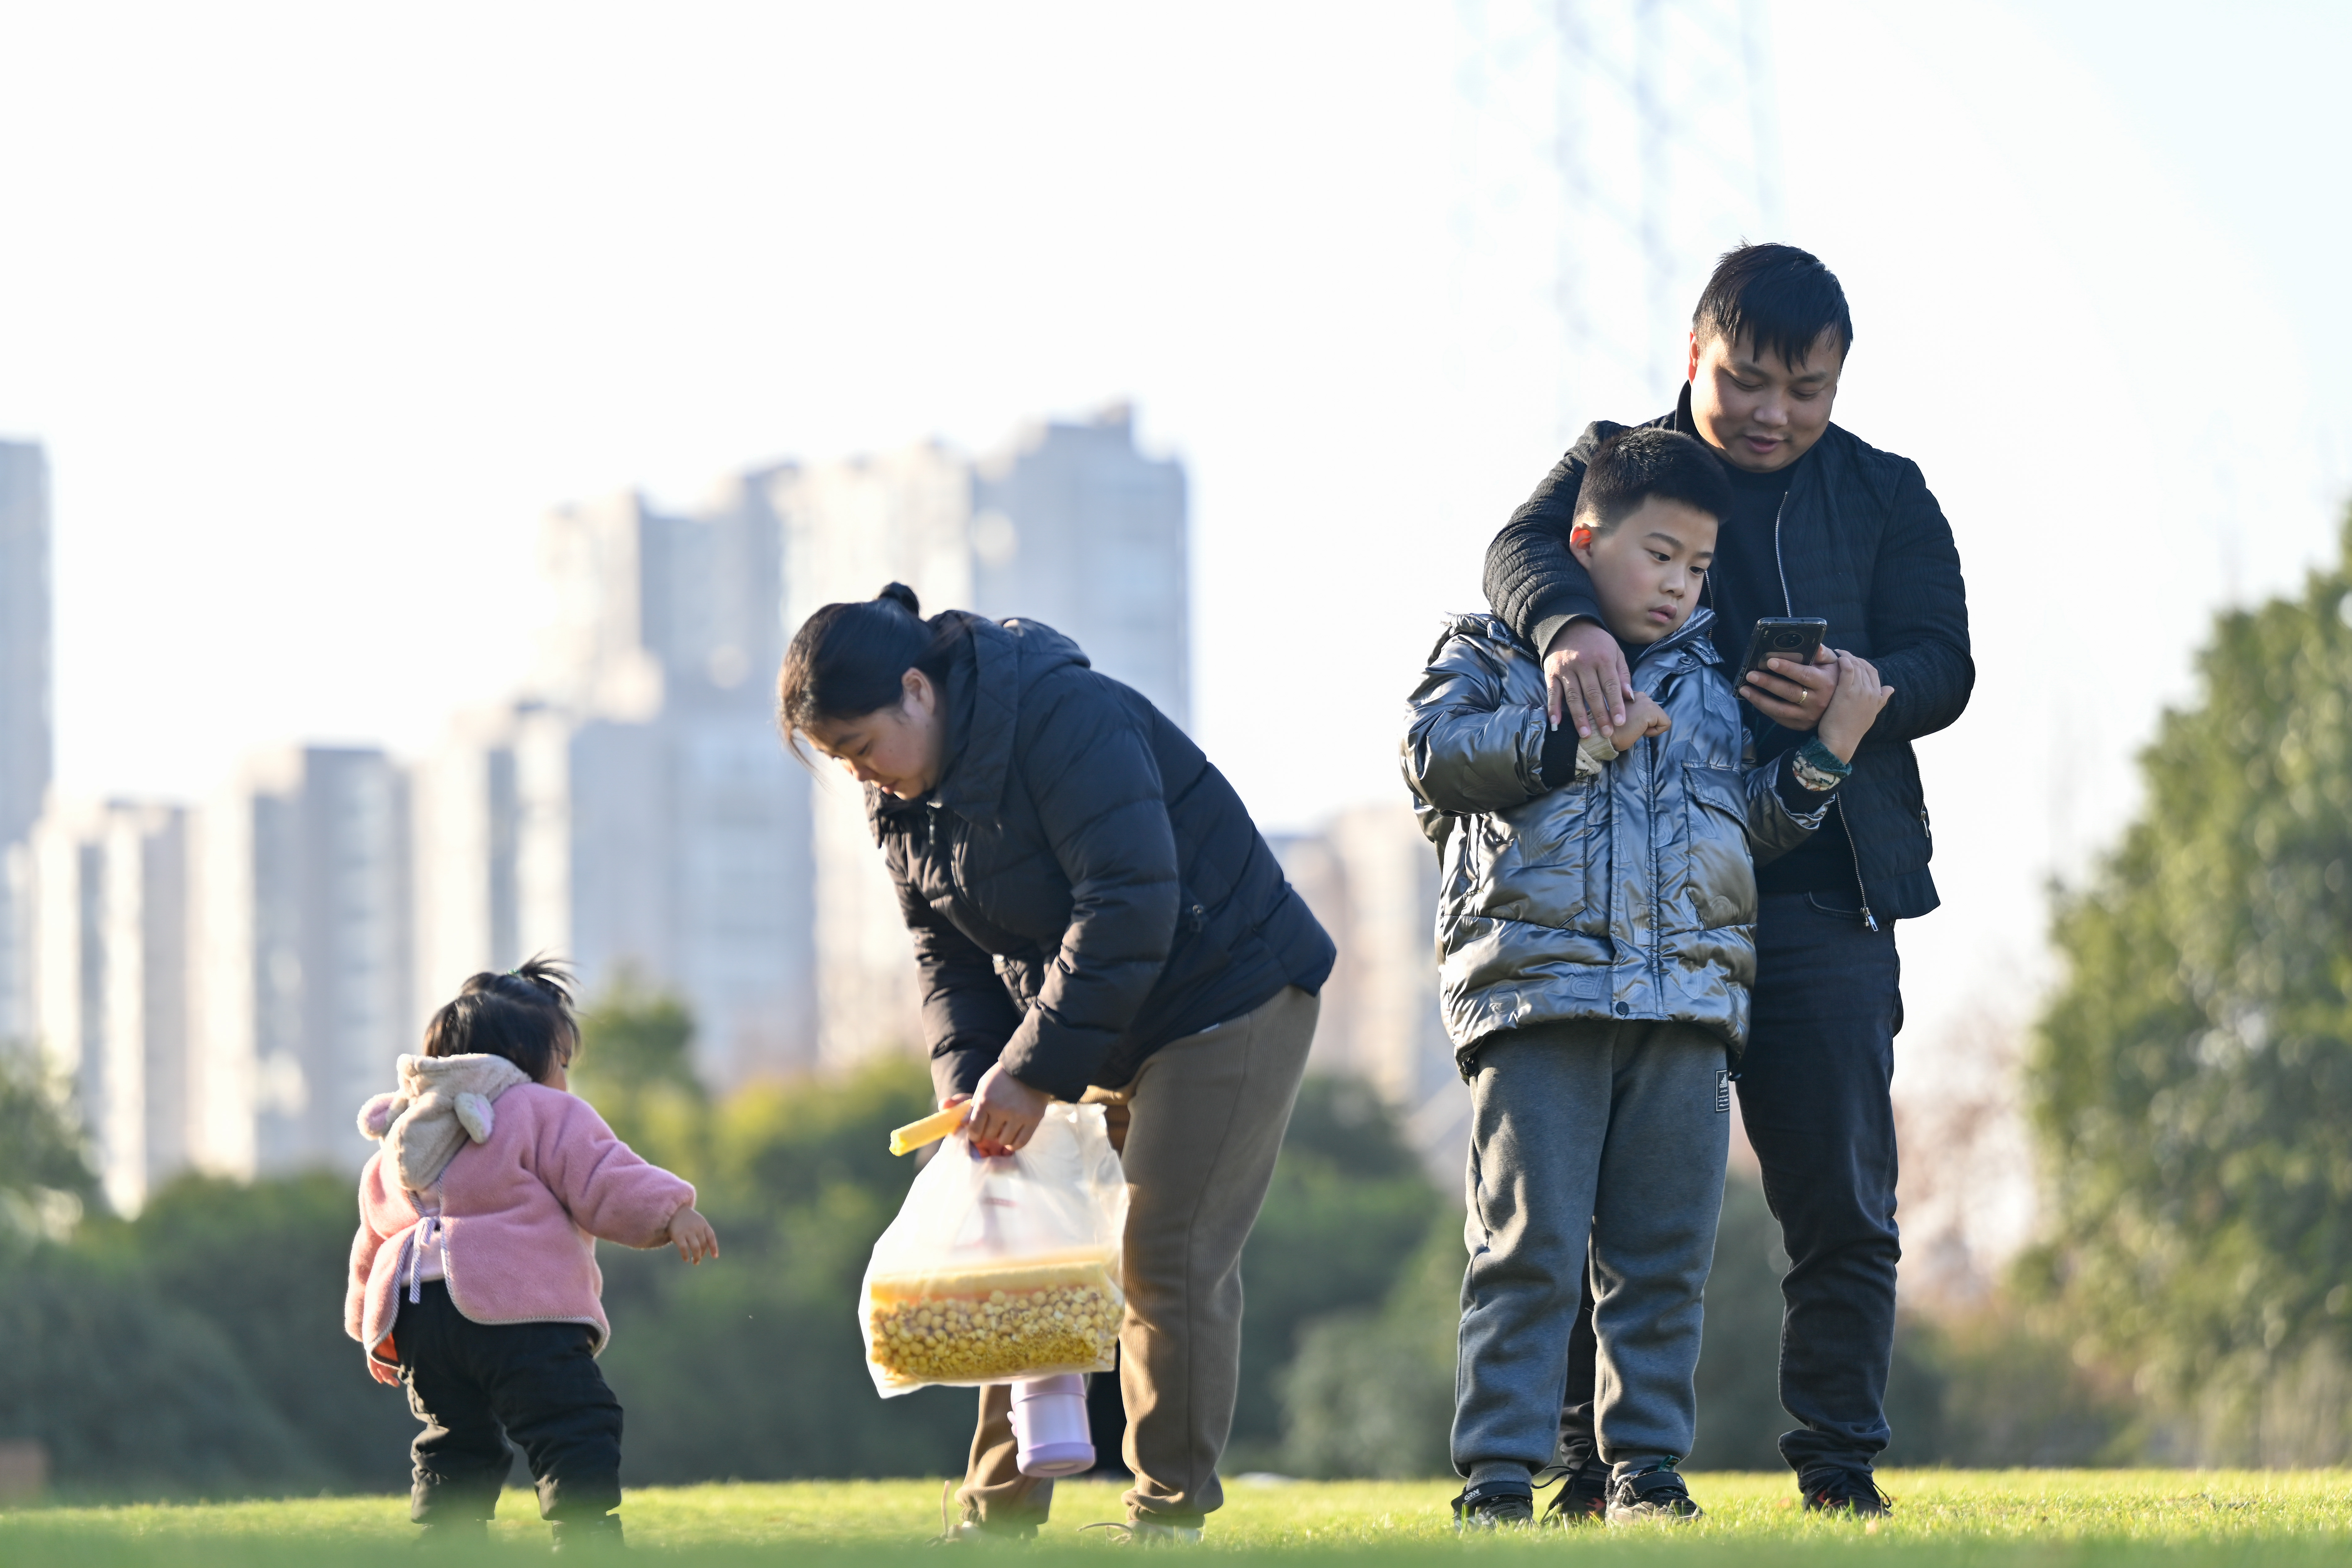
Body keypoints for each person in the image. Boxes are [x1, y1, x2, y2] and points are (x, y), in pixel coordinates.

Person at [1483, 243, 1972, 1517]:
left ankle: (1839, 1472)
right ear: (1693, 354)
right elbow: (1519, 550)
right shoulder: (1621, 461)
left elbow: (1946, 661)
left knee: (1844, 1208)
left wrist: (1862, 695)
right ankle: (1585, 1474)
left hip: (1823, 897)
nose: (1774, 414)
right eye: (1749, 380)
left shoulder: (1885, 491)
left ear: (1837, 383)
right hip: (1637, 910)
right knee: (1592, 1213)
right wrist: (1573, 625)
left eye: (1806, 390)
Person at [778, 584, 1334, 1544]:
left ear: (918, 689)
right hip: (1094, 1020)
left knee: (1166, 1257)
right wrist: (972, 1079)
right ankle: (994, 1527)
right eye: (840, 763)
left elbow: (1129, 903)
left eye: (863, 747)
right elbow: (946, 956)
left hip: (1226, 991)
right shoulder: (901, 805)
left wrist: (1034, 1072)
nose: (863, 775)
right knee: (1022, 1252)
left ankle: (1168, 1521)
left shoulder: (1062, 715)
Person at [1407, 427, 1892, 1528]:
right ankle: (1495, 1476)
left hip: (1686, 1010)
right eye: (1658, 556)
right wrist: (1573, 736)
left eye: (1697, 567)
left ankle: (1646, 1473)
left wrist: (1828, 751)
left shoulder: (1715, 686)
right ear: (1583, 544)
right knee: (1525, 1247)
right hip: (1539, 1003)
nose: (1678, 585)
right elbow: (1433, 759)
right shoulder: (1489, 650)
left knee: (1663, 1259)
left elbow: (1748, 830)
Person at [345, 959, 721, 1549]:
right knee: (571, 1420)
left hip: (422, 1322)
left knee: (454, 1435)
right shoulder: (540, 1110)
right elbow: (604, 1175)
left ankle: (447, 1542)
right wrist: (671, 1210)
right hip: (518, 1307)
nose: (566, 1081)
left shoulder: (401, 1131)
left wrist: (373, 1327)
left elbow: (373, 1237)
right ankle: (585, 1537)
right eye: (563, 1064)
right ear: (523, 1060)